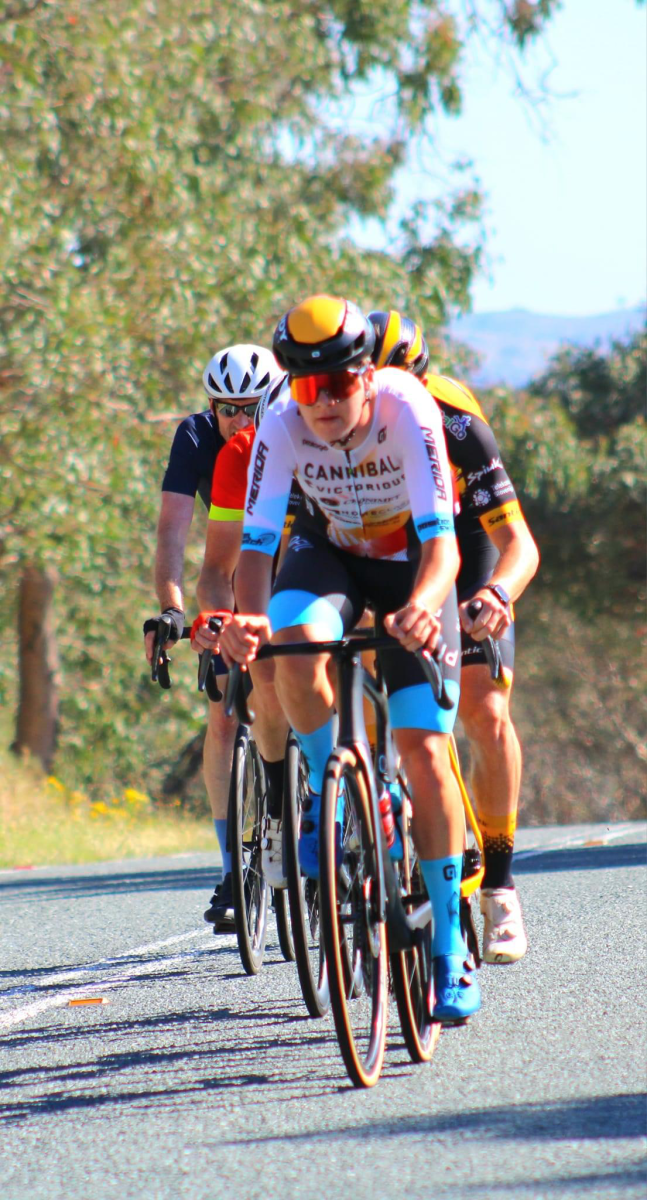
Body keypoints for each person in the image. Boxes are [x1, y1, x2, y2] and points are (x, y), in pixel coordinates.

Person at [217, 293, 481, 1024]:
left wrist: (426, 606)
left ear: (366, 377)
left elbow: (444, 545)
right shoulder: (279, 427)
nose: (323, 403)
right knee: (291, 642)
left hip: (410, 567)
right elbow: (257, 547)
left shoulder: (407, 412)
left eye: (337, 385)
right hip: (331, 554)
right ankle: (322, 803)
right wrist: (244, 619)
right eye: (306, 387)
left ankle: (450, 943)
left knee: (424, 751)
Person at [370, 310, 540, 963]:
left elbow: (516, 543)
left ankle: (498, 885)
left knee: (483, 708)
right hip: (388, 552)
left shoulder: (459, 426)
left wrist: (496, 593)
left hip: (462, 549)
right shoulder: (339, 425)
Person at [144, 343, 283, 930]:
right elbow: (174, 531)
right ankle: (235, 868)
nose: (238, 421)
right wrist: (173, 610)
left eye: (250, 408)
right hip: (232, 567)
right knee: (225, 710)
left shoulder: (290, 437)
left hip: (298, 565)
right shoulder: (198, 439)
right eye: (226, 409)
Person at [191, 377, 296, 888]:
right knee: (260, 679)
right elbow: (221, 569)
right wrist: (220, 621)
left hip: (324, 570)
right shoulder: (240, 454)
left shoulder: (351, 446)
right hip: (264, 578)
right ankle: (272, 822)